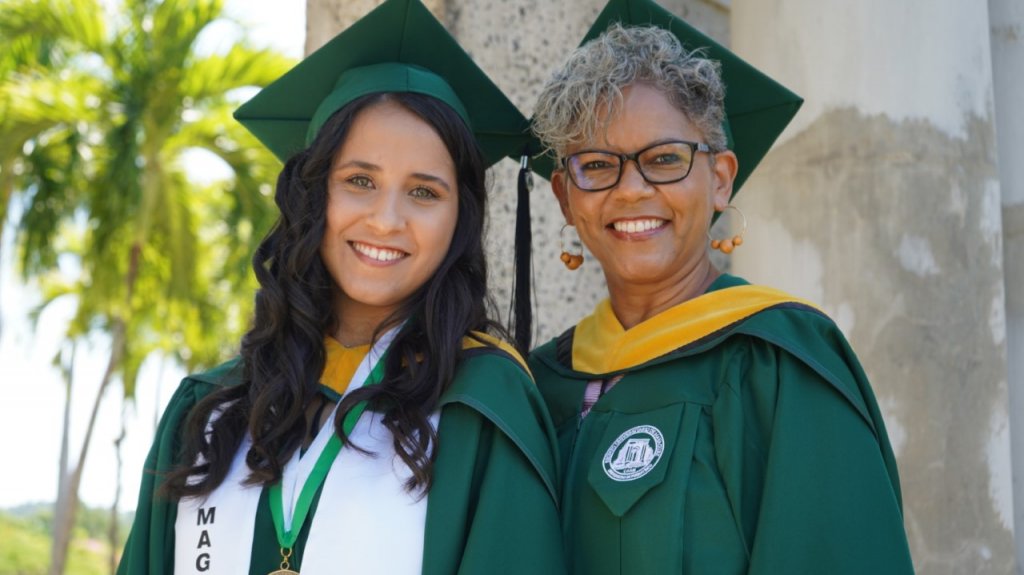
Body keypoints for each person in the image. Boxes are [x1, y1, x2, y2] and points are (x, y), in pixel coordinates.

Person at [117, 1, 564, 573]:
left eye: (424, 192)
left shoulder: (482, 408)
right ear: (313, 195)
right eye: (359, 181)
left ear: (461, 219)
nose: (386, 220)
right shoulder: (210, 411)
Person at [526, 0, 915, 573]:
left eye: (664, 159)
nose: (631, 189)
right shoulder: (539, 384)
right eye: (599, 165)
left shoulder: (778, 365)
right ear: (565, 196)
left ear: (720, 180)